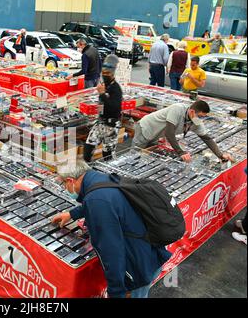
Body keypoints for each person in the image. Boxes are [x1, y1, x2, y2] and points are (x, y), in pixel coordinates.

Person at [52, 160, 172, 298]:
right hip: (149, 252)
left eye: (62, 184)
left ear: (70, 181)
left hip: (137, 269)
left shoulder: (96, 200)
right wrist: (72, 214)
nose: (64, 188)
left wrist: (116, 292)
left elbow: (112, 251)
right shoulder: (100, 178)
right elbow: (102, 201)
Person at [132, 100, 234, 163]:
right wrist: (181, 152)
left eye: (203, 117)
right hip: (146, 128)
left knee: (148, 154)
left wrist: (220, 155)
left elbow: (207, 138)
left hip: (157, 134)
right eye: (200, 116)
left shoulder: (196, 121)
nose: (201, 120)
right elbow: (169, 133)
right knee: (134, 155)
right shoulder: (177, 109)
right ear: (192, 111)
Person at [83, 54, 122, 162]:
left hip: (111, 125)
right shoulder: (105, 84)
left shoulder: (116, 88)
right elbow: (101, 104)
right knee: (88, 148)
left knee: (107, 155)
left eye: (107, 72)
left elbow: (113, 108)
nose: (104, 74)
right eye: (103, 72)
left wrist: (102, 94)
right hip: (100, 123)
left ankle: (111, 175)